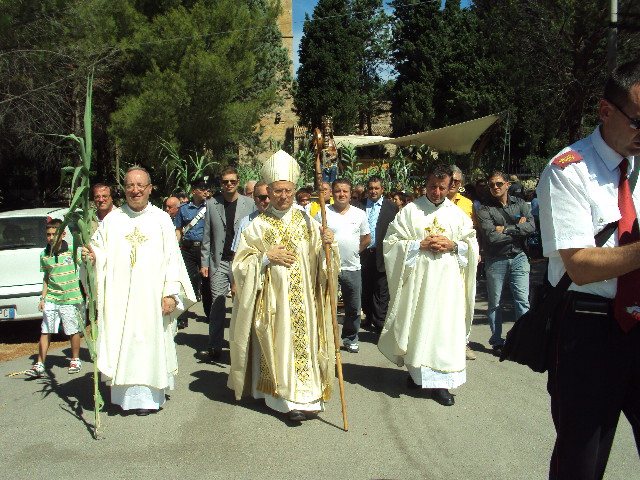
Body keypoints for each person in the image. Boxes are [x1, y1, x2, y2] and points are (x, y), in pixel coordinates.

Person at [537, 59, 640, 480]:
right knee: (582, 457)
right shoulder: (569, 170)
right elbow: (578, 265)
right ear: (605, 111)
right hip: (589, 330)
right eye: (639, 121)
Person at [228, 149, 338, 422]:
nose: (283, 196)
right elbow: (240, 266)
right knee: (281, 347)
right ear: (269, 190)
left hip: (306, 302)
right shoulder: (256, 227)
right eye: (277, 191)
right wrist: (265, 257)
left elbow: (324, 263)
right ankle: (285, 400)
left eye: (288, 190)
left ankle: (309, 397)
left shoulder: (309, 222)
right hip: (274, 304)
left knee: (306, 346)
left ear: (294, 189)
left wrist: (328, 243)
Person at [86, 166, 195, 415]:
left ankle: (147, 398)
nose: (135, 191)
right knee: (123, 341)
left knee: (149, 344)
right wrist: (91, 258)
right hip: (120, 298)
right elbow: (99, 253)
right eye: (129, 186)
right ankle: (125, 396)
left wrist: (170, 292)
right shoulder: (112, 220)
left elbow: (172, 259)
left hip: (152, 298)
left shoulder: (161, 219)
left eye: (140, 186)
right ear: (123, 190)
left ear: (149, 189)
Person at [379, 164, 479, 406]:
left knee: (443, 330)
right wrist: (417, 245)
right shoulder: (410, 211)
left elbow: (472, 246)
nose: (436, 191)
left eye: (442, 188)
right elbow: (391, 242)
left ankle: (441, 385)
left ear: (450, 187)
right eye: (432, 186)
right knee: (418, 325)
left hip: (447, 285)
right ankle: (417, 374)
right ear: (426, 184)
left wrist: (452, 245)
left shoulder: (457, 214)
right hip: (419, 282)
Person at [199, 166, 255, 361]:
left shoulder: (250, 204)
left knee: (243, 304)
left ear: (238, 182)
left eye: (232, 181)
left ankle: (243, 346)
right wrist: (204, 262)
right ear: (221, 183)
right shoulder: (212, 204)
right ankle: (214, 346)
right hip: (218, 262)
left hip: (242, 262)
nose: (229, 184)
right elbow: (207, 235)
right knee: (217, 304)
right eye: (225, 181)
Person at [476, 171, 535, 354]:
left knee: (522, 301)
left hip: (519, 257)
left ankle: (523, 339)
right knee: (495, 303)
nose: (495, 187)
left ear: (507, 184)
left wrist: (505, 229)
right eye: (492, 184)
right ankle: (497, 341)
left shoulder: (520, 204)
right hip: (496, 259)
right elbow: (491, 237)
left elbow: (531, 227)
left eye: (499, 184)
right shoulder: (484, 209)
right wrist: (519, 230)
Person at [314, 178, 370, 353]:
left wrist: (353, 251)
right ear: (332, 192)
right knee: (326, 305)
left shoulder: (359, 214)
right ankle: (327, 339)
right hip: (329, 267)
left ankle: (350, 338)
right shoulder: (322, 213)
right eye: (338, 191)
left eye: (345, 191)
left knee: (353, 307)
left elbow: (366, 239)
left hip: (352, 267)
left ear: (350, 193)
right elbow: (314, 240)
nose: (341, 194)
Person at [25, 219, 83, 377]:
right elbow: (46, 277)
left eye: (54, 234)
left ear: (63, 234)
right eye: (48, 234)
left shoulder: (72, 250)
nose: (50, 237)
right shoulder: (44, 254)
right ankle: (40, 363)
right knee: (45, 330)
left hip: (70, 298)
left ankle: (75, 359)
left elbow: (84, 264)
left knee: (72, 330)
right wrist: (43, 298)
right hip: (52, 297)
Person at [356, 175, 398, 332]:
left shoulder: (391, 207)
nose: (373, 191)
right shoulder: (358, 206)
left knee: (381, 288)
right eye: (371, 188)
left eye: (376, 188)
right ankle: (368, 315)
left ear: (382, 189)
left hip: (382, 253)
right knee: (365, 287)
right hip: (363, 253)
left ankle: (380, 320)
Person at [447, 165, 477, 360]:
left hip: (462, 258)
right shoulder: (431, 203)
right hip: (441, 260)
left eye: (457, 181)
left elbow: (475, 233)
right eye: (451, 180)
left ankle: (464, 343)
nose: (454, 184)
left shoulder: (467, 204)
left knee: (463, 301)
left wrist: (475, 251)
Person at [174, 178, 211, 329]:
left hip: (204, 249)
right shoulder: (183, 209)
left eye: (206, 188)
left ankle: (210, 314)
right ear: (193, 190)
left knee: (206, 283)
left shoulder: (209, 207)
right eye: (201, 188)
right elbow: (178, 228)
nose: (205, 191)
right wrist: (175, 246)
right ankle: (183, 316)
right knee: (186, 282)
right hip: (188, 249)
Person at [231, 181, 270, 253]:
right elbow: (237, 255)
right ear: (254, 199)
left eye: (270, 197)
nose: (267, 201)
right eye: (262, 197)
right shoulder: (245, 223)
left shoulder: (285, 219)